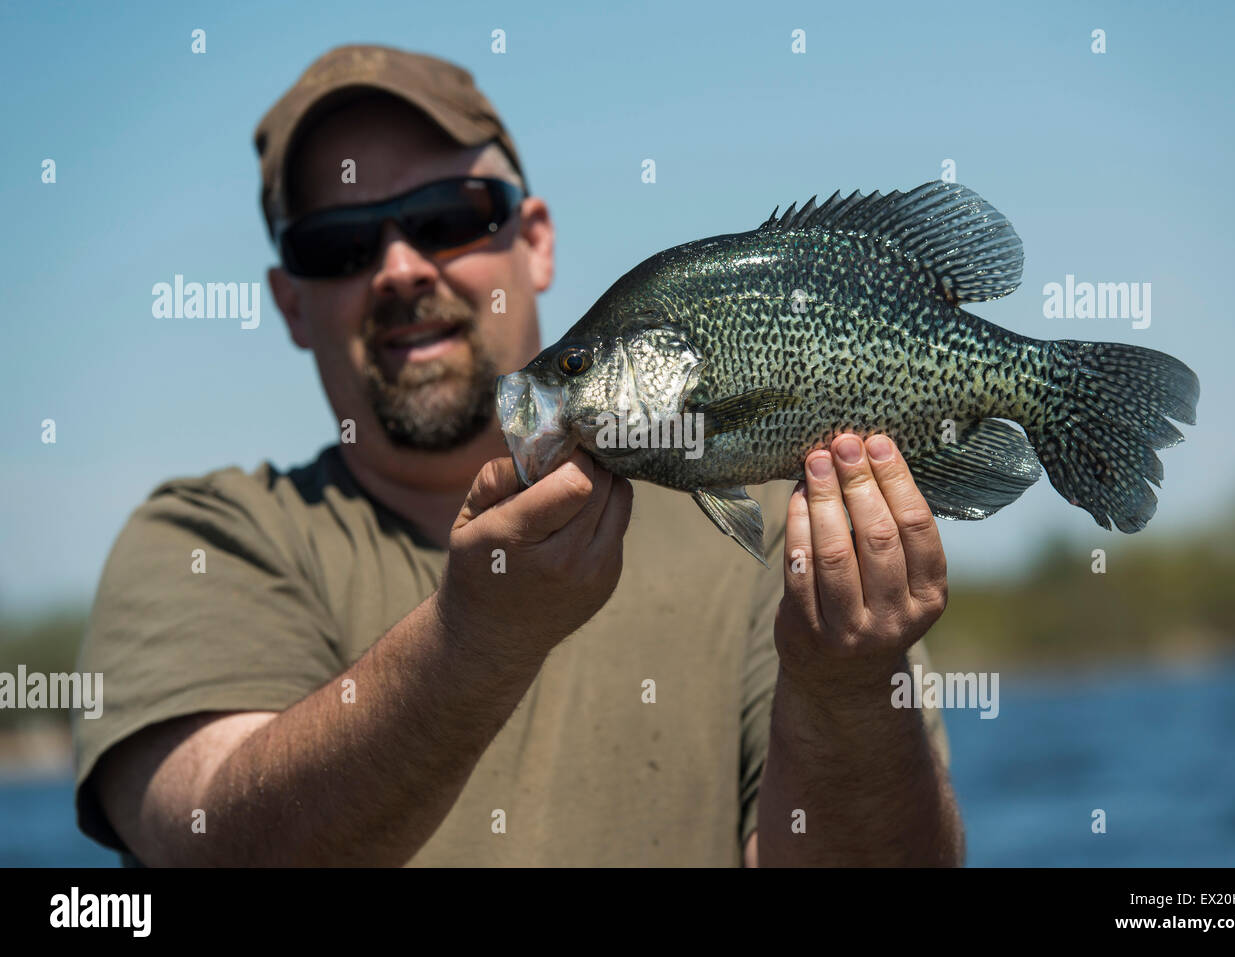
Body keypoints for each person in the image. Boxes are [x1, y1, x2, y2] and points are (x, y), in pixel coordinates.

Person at [73, 44, 963, 866]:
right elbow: (206, 840)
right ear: (291, 303)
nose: (399, 268)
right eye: (338, 244)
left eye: (445, 217)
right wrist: (473, 643)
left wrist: (847, 688)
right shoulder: (205, 540)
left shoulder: (785, 524)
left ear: (534, 240)